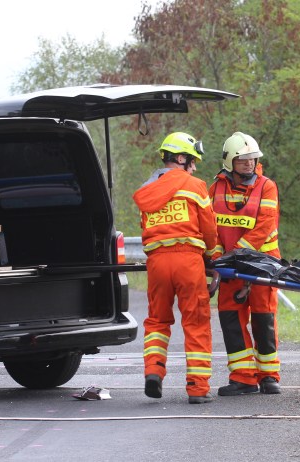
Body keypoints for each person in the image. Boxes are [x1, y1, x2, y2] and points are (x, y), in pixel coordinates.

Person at [132, 132, 218, 405]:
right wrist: (214, 257)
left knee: (157, 320)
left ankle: (153, 372)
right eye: (191, 162)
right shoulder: (195, 186)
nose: (193, 168)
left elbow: (144, 228)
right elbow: (209, 228)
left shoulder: (147, 190)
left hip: (157, 261)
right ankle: (197, 387)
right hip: (188, 260)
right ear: (180, 159)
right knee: (195, 321)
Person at [209, 132, 282, 396]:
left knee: (264, 318)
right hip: (229, 266)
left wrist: (237, 253)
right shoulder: (215, 189)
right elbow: (212, 228)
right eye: (243, 160)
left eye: (252, 159)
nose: (249, 164)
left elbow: (265, 224)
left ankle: (269, 376)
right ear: (230, 162)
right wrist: (216, 257)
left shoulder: (267, 186)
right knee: (231, 319)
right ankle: (242, 378)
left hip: (262, 263)